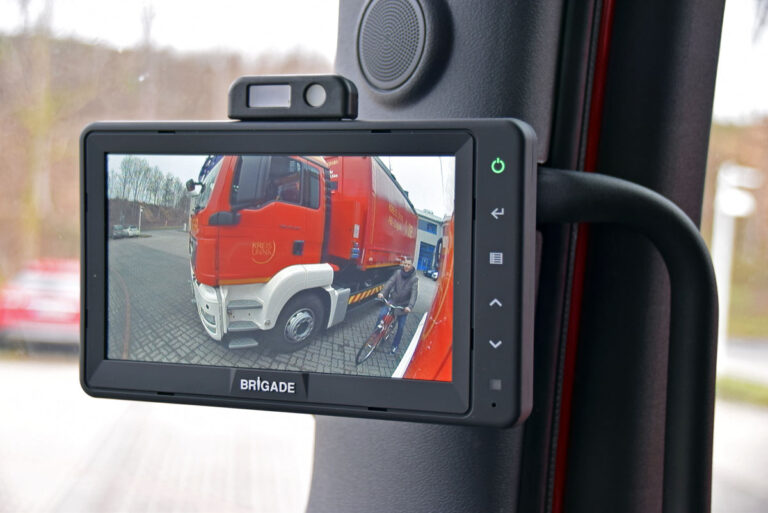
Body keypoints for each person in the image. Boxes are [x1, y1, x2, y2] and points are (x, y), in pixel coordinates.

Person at [376, 257, 419, 354]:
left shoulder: (414, 279)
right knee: (381, 315)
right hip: (393, 301)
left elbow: (414, 294)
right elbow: (390, 283)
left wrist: (410, 306)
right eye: (405, 264)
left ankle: (395, 345)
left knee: (401, 326)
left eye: (408, 264)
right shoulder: (398, 273)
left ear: (412, 266)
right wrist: (383, 293)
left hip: (403, 307)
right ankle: (375, 336)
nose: (406, 266)